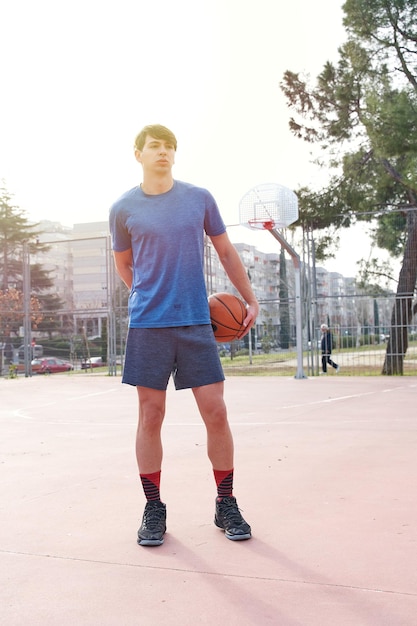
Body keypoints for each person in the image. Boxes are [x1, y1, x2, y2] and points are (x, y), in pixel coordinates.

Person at [109, 124, 259, 547]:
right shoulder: (123, 208)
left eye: (169, 147)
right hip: (148, 325)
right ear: (138, 154)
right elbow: (125, 265)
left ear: (175, 154)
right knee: (151, 416)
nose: (163, 152)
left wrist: (250, 300)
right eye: (154, 146)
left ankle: (225, 502)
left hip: (196, 322)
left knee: (216, 413)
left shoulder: (199, 199)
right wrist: (146, 295)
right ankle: (154, 507)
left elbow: (226, 251)